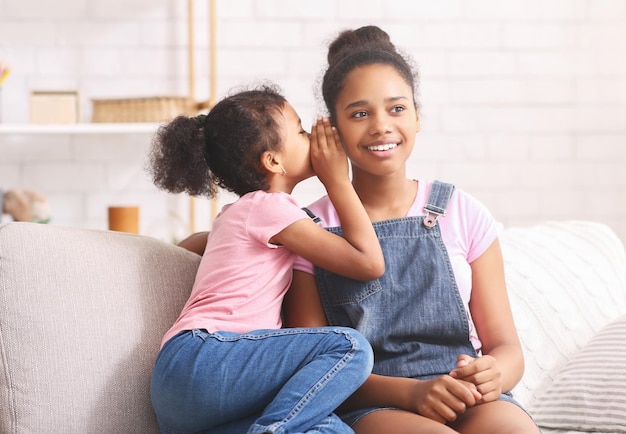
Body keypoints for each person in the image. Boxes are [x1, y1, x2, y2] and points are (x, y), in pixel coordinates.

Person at [282, 26, 540, 433]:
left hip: (464, 392)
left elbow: (507, 349)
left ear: (418, 116)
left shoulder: (462, 211)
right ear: (332, 129)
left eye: (397, 109)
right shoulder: (309, 229)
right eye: (360, 113)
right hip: (374, 401)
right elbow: (313, 370)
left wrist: (495, 375)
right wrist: (412, 394)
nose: (381, 126)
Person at [147, 84, 385, 434]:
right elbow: (369, 263)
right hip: (205, 360)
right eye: (302, 131)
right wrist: (337, 180)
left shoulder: (239, 214)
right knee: (350, 346)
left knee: (332, 430)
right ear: (273, 161)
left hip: (185, 390)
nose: (312, 138)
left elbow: (193, 243)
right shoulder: (272, 208)